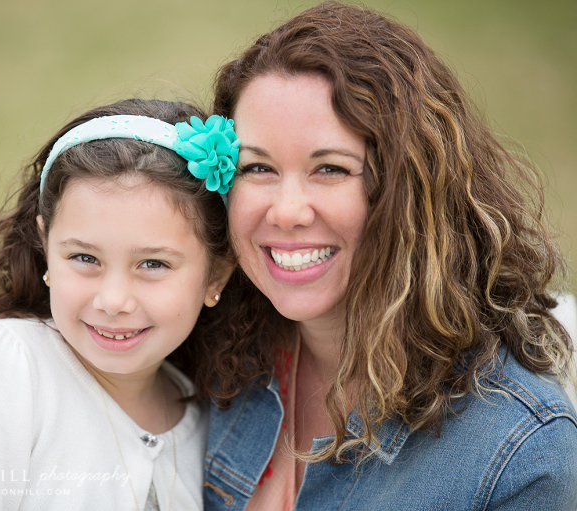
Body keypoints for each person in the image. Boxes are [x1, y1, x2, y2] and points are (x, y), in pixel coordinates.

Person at [197, 2, 577, 510]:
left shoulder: (520, 454)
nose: (286, 212)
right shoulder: (203, 349)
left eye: (330, 169)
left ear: (413, 190)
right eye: (257, 168)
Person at [0, 99, 237, 510]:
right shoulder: (9, 363)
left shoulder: (209, 417)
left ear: (216, 275)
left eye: (153, 264)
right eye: (84, 257)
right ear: (45, 246)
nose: (113, 301)